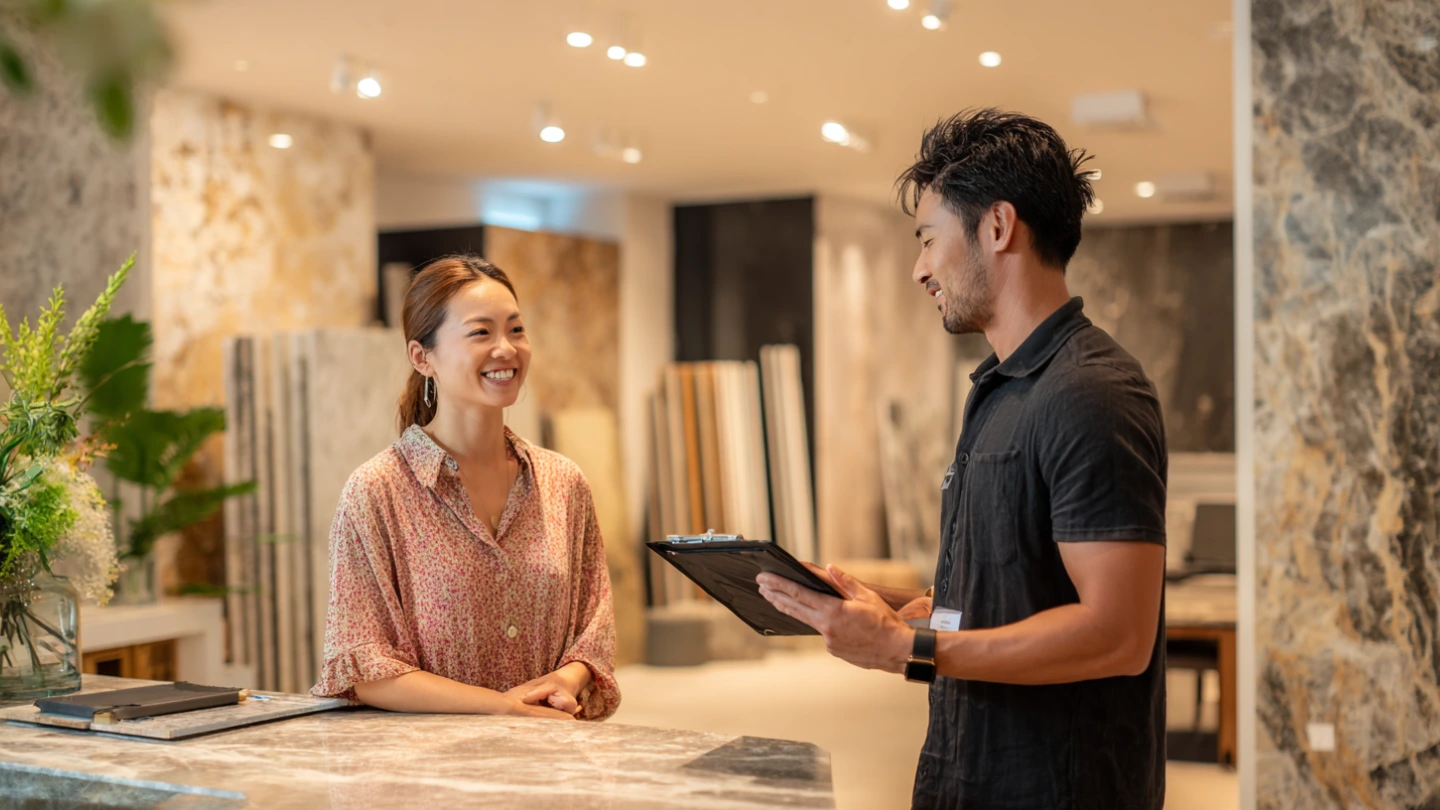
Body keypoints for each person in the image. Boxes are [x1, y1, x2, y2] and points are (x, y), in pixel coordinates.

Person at [758, 109, 1168, 808]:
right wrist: (883, 607)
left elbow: (1116, 634)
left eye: (927, 238)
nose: (919, 268)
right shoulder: (1000, 389)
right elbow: (1001, 597)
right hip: (965, 775)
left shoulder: (1092, 392)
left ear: (998, 227)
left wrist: (906, 650)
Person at [312, 254, 621, 722]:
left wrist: (568, 678)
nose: (506, 348)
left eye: (516, 329)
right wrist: (502, 708)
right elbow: (364, 665)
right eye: (481, 332)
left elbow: (594, 627)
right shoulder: (377, 492)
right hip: (432, 762)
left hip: (551, 754)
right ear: (423, 357)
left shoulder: (564, 483)